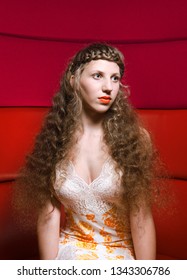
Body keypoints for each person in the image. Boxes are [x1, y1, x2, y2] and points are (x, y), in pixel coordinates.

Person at [16, 43, 157, 260]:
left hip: (118, 253)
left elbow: (142, 218)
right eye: (98, 75)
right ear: (74, 81)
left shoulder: (136, 140)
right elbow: (48, 216)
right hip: (71, 249)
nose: (108, 87)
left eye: (115, 78)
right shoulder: (54, 140)